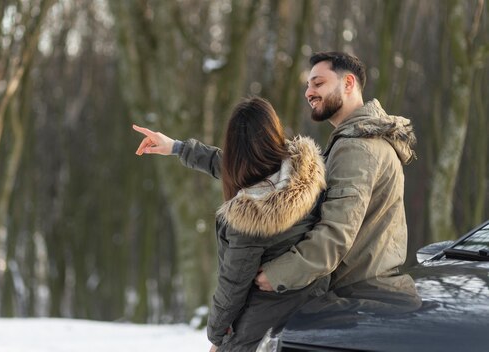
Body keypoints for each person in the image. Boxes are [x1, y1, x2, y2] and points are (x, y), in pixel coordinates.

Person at [134, 97, 329, 351]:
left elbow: (232, 287)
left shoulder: (250, 220)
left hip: (263, 325)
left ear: (237, 149)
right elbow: (230, 166)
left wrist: (217, 337)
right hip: (312, 302)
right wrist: (177, 148)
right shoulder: (300, 175)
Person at [254, 52, 416, 293]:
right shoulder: (363, 140)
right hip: (368, 293)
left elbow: (336, 234)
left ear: (348, 83)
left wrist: (278, 274)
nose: (308, 93)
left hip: (360, 302)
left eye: (318, 83)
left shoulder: (357, 146)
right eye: (308, 85)